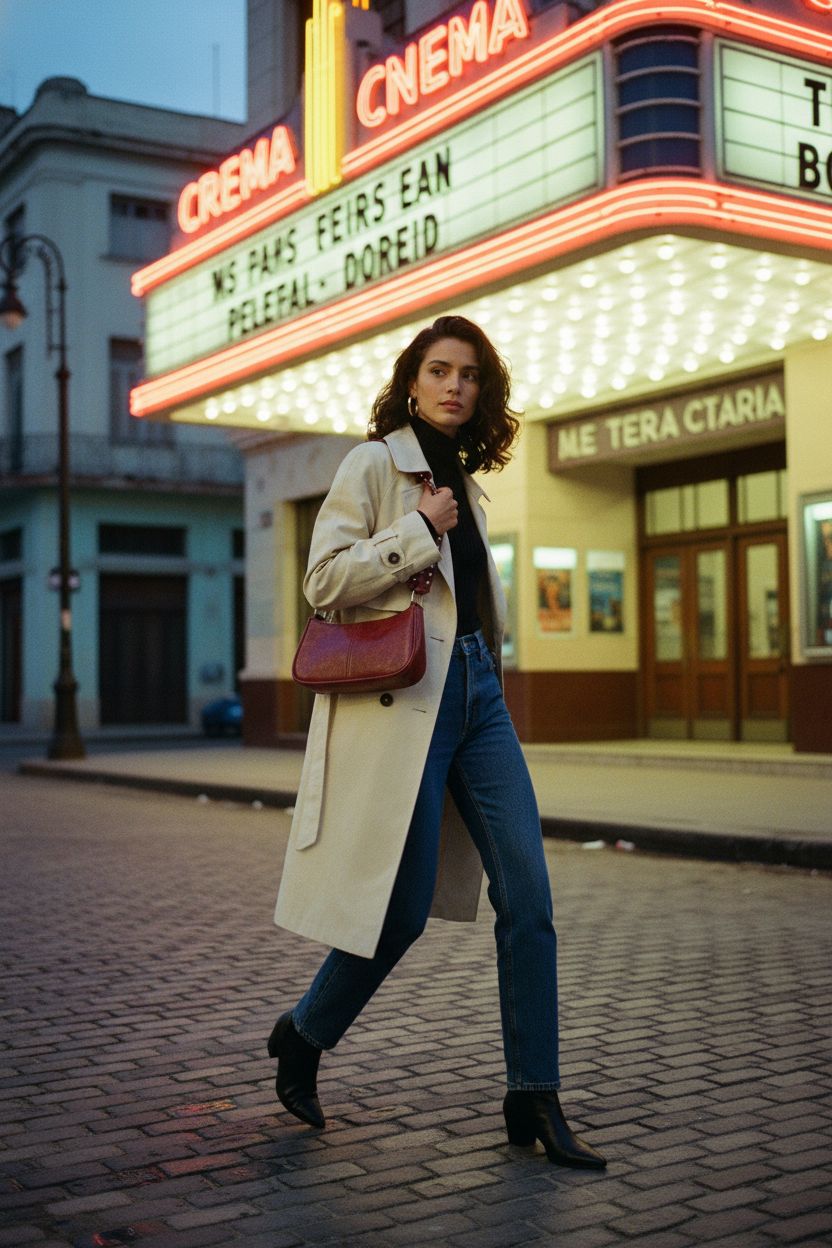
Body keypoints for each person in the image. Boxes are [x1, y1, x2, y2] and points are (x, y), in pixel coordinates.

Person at [269, 315, 606, 1169]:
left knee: (527, 895)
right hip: (406, 700)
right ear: (412, 380)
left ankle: (533, 1093)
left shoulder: (468, 477)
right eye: (440, 371)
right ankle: (304, 1033)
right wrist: (416, 529)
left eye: (471, 375)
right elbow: (323, 581)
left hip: (479, 693)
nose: (456, 386)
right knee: (401, 908)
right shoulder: (375, 464)